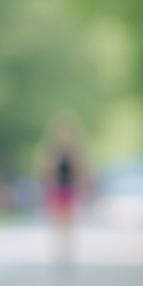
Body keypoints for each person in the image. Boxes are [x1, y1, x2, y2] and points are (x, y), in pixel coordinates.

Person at [37, 115, 87, 270]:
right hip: (56, 189)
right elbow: (44, 171)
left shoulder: (76, 151)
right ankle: (58, 251)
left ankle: (67, 252)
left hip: (70, 190)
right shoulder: (51, 150)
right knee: (57, 222)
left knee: (68, 223)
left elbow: (82, 171)